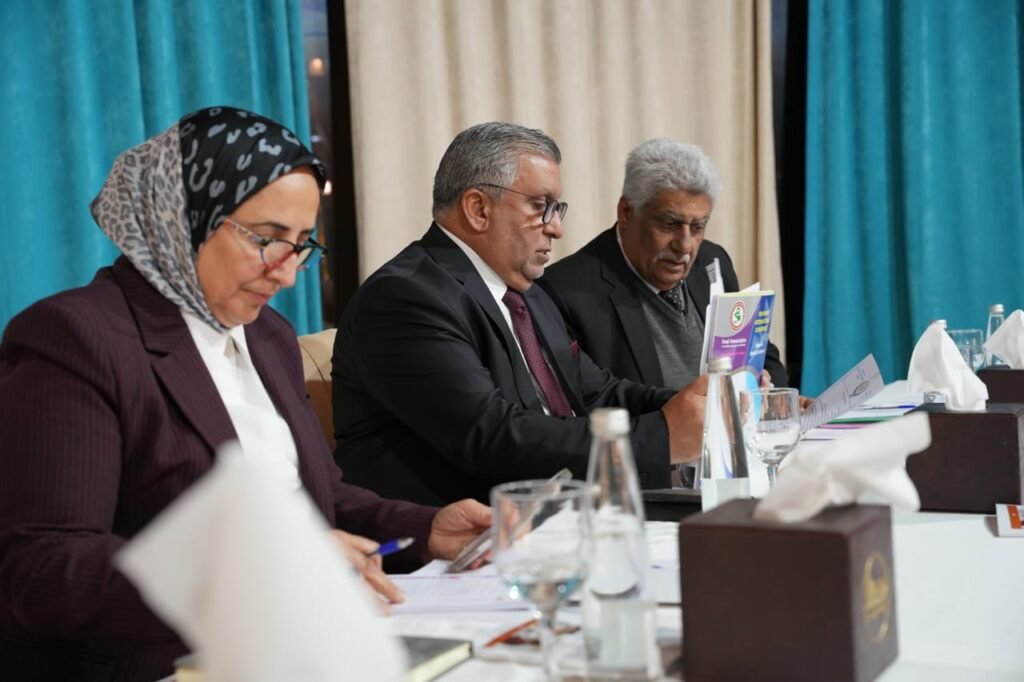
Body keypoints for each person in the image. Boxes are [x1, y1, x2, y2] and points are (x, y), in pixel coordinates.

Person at [0, 107, 490, 682]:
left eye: (302, 244)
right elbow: (45, 570)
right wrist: (258, 569)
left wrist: (428, 529)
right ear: (183, 218)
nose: (287, 272)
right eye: (267, 239)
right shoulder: (79, 338)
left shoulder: (266, 334)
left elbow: (318, 500)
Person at [332, 122, 708, 507]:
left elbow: (597, 393)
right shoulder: (406, 298)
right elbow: (492, 437)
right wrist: (662, 438)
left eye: (556, 209)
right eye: (541, 206)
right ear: (478, 209)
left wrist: (697, 408)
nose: (557, 229)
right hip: (464, 530)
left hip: (563, 511)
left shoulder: (527, 295)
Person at [539, 138, 790, 391]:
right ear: (626, 212)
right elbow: (586, 399)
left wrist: (765, 384)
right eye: (669, 224)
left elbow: (761, 352)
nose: (685, 246)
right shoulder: (564, 293)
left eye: (698, 227)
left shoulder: (713, 261)